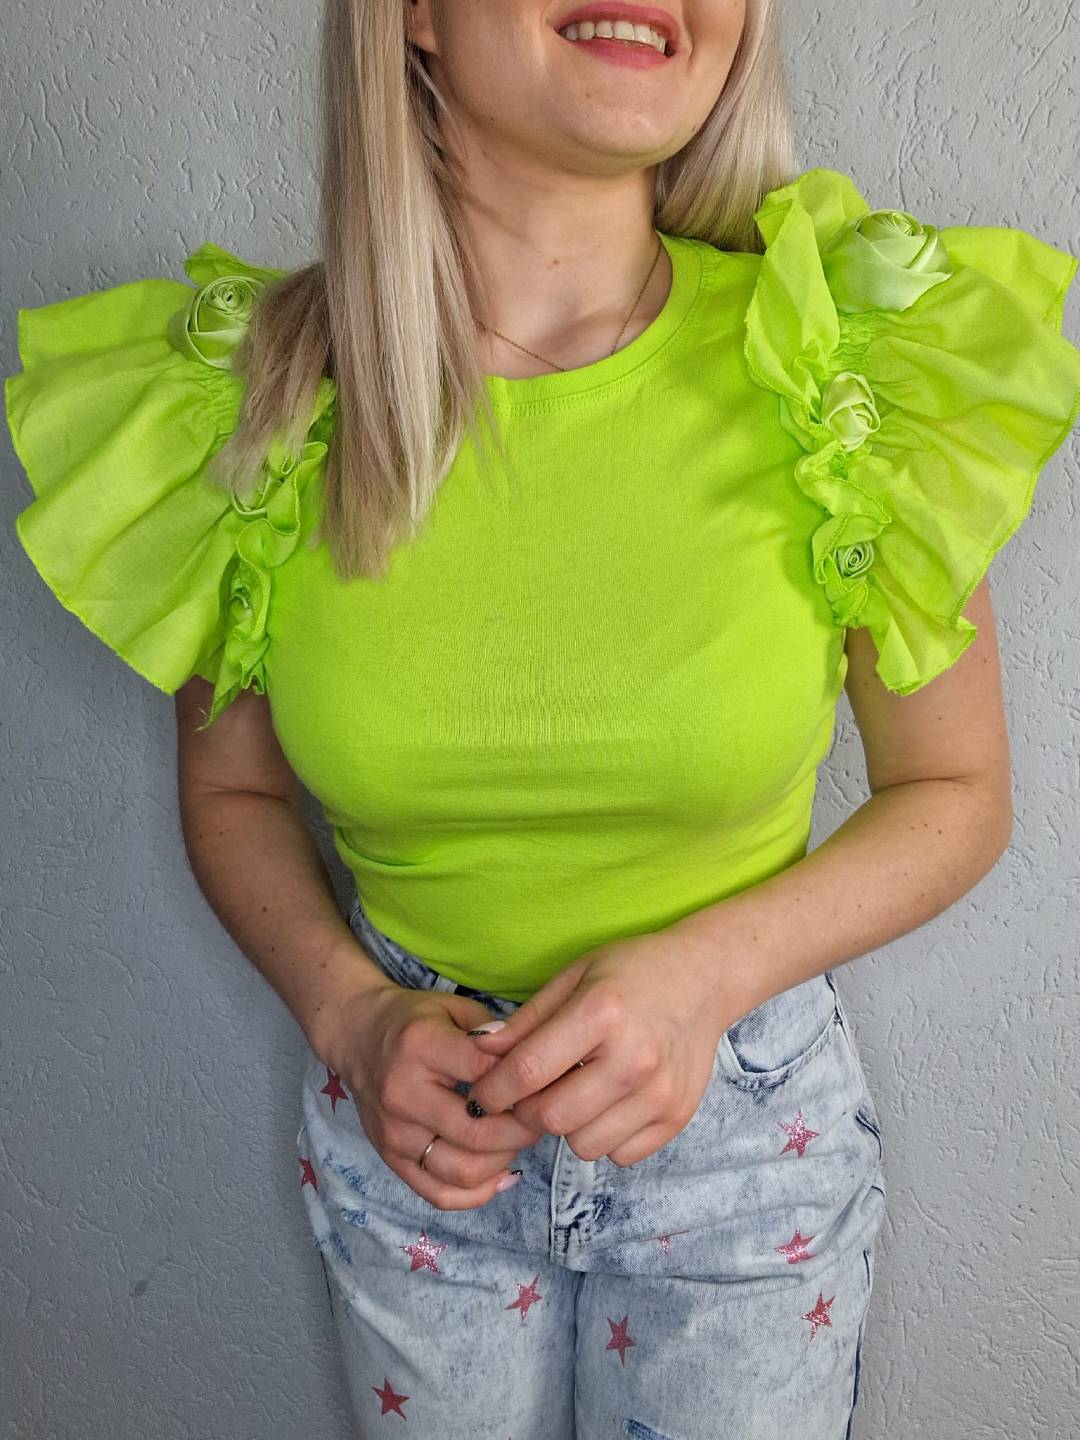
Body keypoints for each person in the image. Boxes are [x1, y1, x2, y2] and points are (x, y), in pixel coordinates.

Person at [6, 0, 1080, 1435]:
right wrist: (350, 1016)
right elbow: (234, 793)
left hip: (744, 1150)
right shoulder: (256, 398)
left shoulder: (846, 370)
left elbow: (955, 791)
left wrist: (705, 976)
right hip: (416, 1148)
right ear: (413, 17)